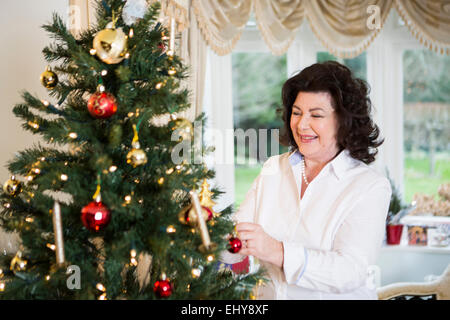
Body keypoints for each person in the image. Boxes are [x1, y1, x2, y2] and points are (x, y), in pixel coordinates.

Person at [220, 61, 392, 300]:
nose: (301, 125)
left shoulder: (369, 186)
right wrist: (210, 237)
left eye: (316, 115)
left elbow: (349, 271)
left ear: (344, 121)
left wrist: (277, 251)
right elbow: (237, 241)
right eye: (297, 112)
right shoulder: (273, 169)